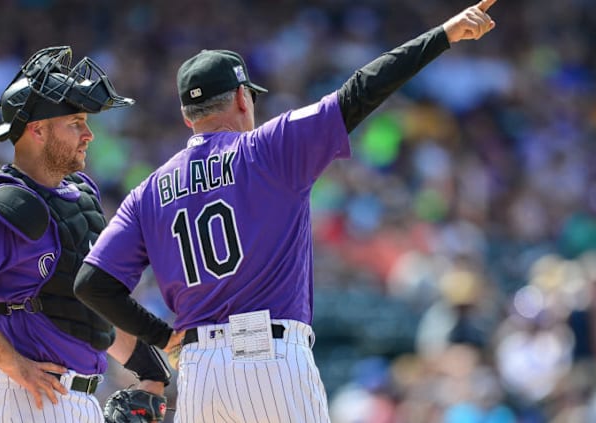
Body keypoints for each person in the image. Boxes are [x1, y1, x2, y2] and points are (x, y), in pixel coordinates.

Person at [75, 1, 498, 421]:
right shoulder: (267, 148)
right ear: (243, 98)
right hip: (269, 358)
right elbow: (362, 90)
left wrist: (162, 336)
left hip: (199, 374)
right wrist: (442, 35)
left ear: (188, 118)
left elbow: (92, 283)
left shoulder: (148, 191)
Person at [0, 45, 170, 423]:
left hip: (79, 399)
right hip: (23, 399)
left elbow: (80, 305)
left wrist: (151, 370)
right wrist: (14, 365)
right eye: (75, 123)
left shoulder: (80, 198)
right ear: (37, 129)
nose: (88, 134)